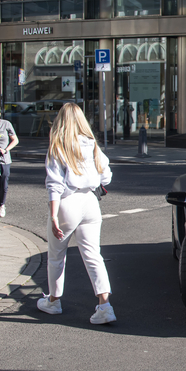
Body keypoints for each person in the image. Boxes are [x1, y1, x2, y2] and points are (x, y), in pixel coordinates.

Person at [38, 102, 116, 325]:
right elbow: (106, 176)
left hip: (67, 203)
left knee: (56, 256)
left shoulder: (59, 145)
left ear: (61, 121)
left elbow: (54, 184)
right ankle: (105, 306)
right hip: (90, 202)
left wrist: (53, 216)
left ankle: (53, 302)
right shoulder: (92, 145)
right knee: (93, 255)